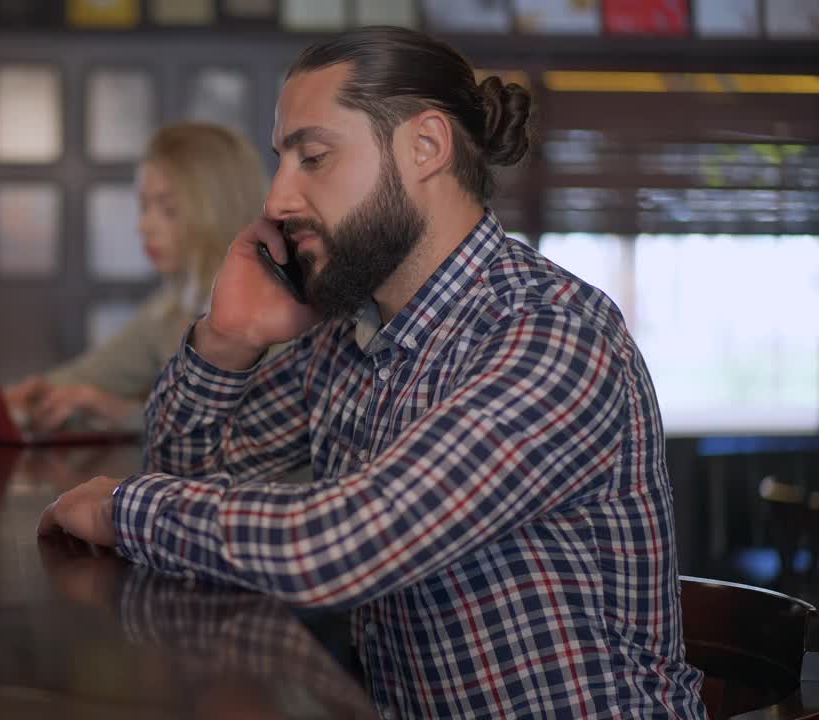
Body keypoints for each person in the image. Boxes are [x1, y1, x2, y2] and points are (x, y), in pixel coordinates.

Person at [38, 26, 707, 719]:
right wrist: (225, 340)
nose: (276, 201)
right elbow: (184, 475)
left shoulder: (552, 332)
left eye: (314, 158)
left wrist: (122, 508)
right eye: (282, 162)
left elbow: (346, 543)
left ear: (425, 147)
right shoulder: (350, 337)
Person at [5, 123, 266, 434]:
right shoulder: (170, 307)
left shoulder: (274, 314)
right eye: (144, 206)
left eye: (168, 210)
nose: (144, 226)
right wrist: (32, 394)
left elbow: (252, 438)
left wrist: (121, 413)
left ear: (221, 209)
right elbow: (92, 374)